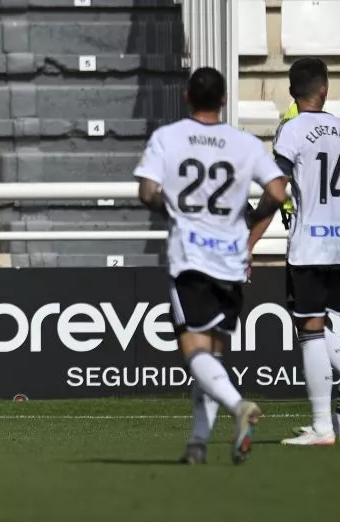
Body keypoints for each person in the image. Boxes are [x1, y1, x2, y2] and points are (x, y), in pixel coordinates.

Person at [134, 67, 289, 464]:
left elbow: (147, 191)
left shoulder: (167, 138)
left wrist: (172, 209)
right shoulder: (245, 143)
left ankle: (239, 406)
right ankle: (197, 445)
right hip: (231, 259)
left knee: (194, 352)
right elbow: (277, 191)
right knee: (213, 357)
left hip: (190, 258)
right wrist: (251, 222)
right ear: (223, 100)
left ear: (187, 96)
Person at [248, 57, 340, 445]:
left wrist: (249, 242)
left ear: (292, 92)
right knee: (321, 327)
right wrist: (338, 216)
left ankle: (324, 427)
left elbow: (276, 191)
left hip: (308, 247)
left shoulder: (291, 131)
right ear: (324, 89)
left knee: (309, 332)